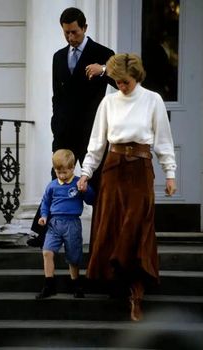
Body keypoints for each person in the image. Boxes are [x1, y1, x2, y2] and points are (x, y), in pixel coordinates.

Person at [77, 53, 177, 321]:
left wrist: (170, 173)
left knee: (137, 225)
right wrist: (86, 172)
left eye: (126, 82)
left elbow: (164, 140)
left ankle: (137, 291)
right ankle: (117, 283)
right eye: (118, 82)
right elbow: (97, 143)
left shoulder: (152, 100)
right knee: (112, 224)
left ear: (137, 77)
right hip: (112, 168)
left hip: (140, 169)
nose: (121, 86)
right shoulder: (108, 102)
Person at [27, 7, 115, 248]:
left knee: (95, 181)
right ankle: (43, 232)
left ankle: (105, 236)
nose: (70, 37)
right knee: (58, 179)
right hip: (64, 130)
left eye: (74, 32)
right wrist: (56, 123)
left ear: (85, 28)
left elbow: (123, 81)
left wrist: (104, 70)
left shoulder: (103, 53)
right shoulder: (58, 56)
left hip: (91, 131)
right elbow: (57, 96)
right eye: (66, 33)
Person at [36, 149, 95, 300]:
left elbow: (90, 199)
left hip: (72, 223)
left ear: (72, 168)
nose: (61, 176)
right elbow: (45, 203)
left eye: (65, 172)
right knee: (47, 252)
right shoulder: (52, 186)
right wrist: (44, 216)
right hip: (54, 223)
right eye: (58, 172)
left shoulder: (78, 183)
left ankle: (76, 285)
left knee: (73, 257)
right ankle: (49, 285)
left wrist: (86, 189)